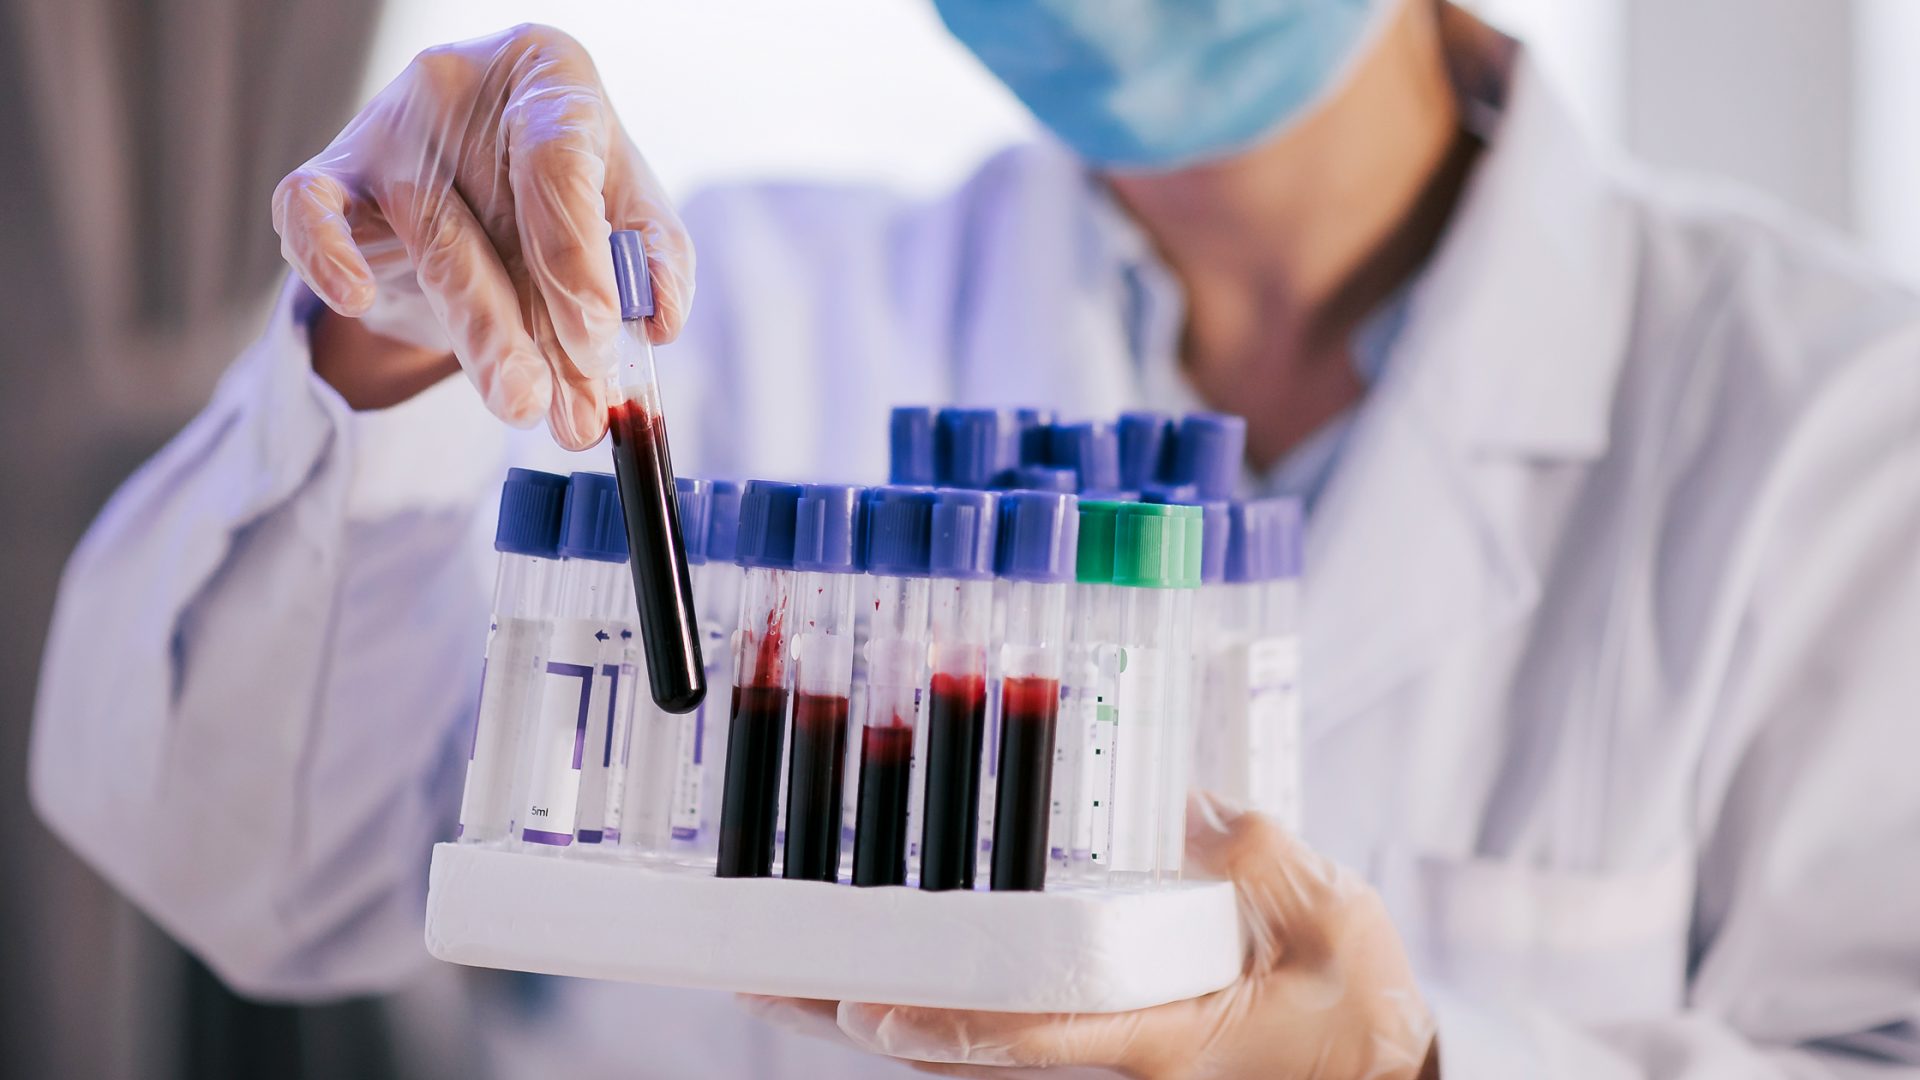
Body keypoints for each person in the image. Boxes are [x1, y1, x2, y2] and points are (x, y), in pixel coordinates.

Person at [30, 0, 1920, 1075]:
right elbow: (236, 853)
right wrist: (396, 331)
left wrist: (1422, 1070)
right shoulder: (723, 321)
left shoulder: (1837, 429)